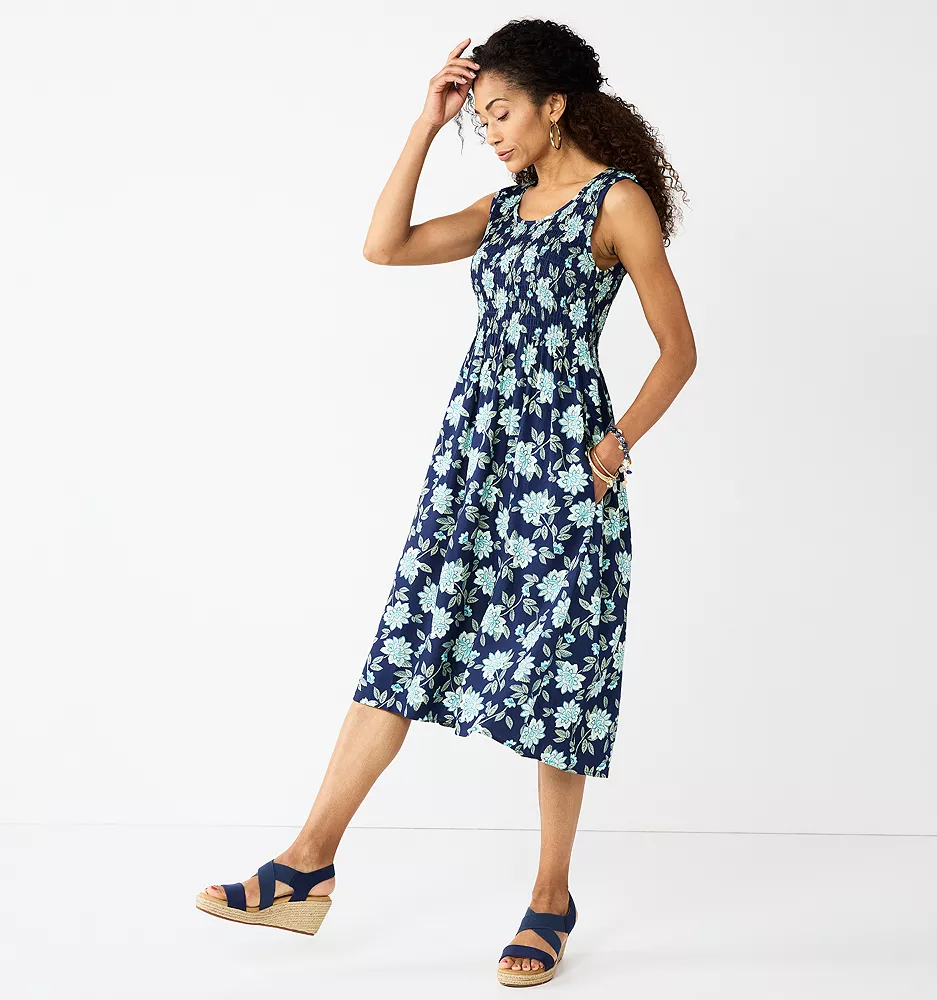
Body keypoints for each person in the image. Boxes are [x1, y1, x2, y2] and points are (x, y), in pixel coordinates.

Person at [195, 18, 696, 988]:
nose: (492, 132)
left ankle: (549, 898)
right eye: (481, 119)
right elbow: (383, 246)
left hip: (562, 478)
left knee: (558, 682)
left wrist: (612, 447)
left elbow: (679, 350)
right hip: (471, 467)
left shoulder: (617, 202)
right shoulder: (500, 209)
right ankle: (306, 863)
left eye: (500, 113)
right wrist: (427, 123)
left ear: (554, 106)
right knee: (403, 648)